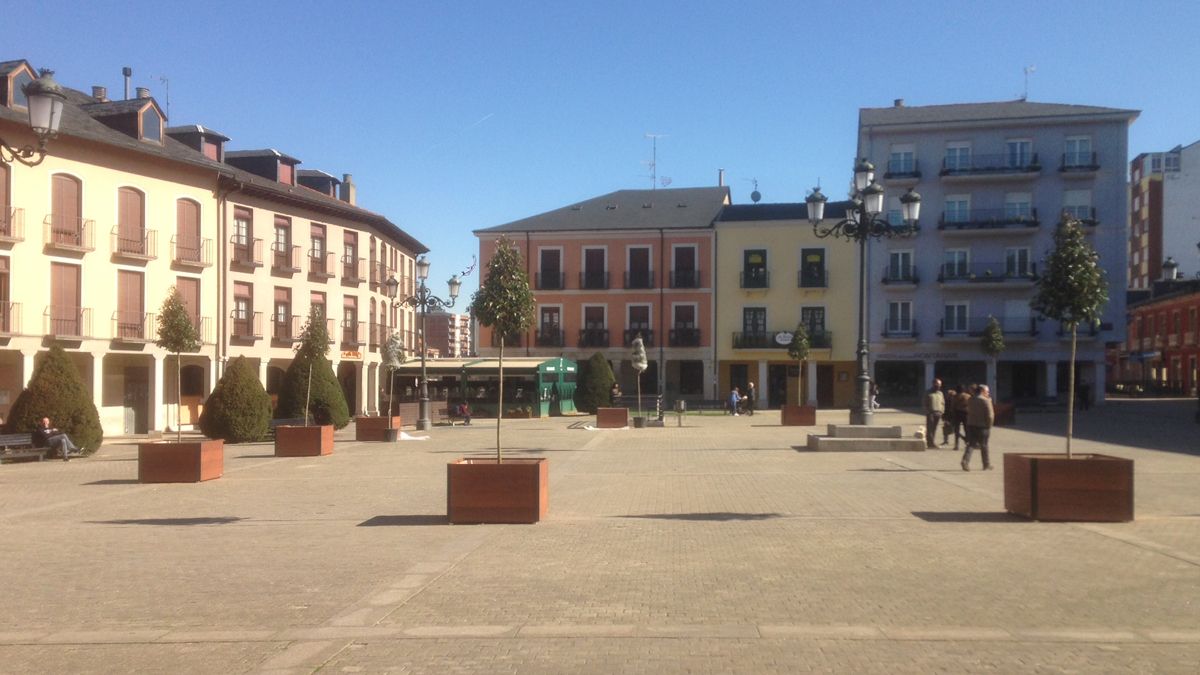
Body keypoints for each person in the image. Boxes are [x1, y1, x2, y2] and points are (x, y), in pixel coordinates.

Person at [962, 385, 995, 471]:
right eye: (987, 391)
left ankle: (965, 461)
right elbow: (990, 415)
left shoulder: (970, 399)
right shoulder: (986, 401)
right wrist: (989, 425)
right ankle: (986, 464)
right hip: (983, 426)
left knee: (971, 444)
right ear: (983, 391)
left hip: (971, 425)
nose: (988, 393)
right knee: (984, 445)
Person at [923, 378, 944, 449]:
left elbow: (943, 403)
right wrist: (928, 412)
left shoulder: (940, 393)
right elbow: (924, 403)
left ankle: (931, 442)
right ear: (934, 384)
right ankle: (930, 443)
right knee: (930, 428)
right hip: (931, 413)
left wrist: (942, 411)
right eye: (937, 384)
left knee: (934, 428)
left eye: (940, 384)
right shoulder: (928, 392)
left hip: (938, 413)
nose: (939, 386)